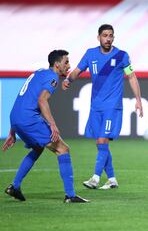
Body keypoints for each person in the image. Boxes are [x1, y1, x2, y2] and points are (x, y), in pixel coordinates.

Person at [62, 24, 143, 190]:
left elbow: (132, 77)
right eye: (105, 35)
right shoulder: (90, 54)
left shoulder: (121, 55)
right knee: (101, 144)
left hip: (112, 107)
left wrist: (138, 99)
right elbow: (77, 70)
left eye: (111, 35)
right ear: (98, 37)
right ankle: (112, 179)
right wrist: (68, 80)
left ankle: (95, 178)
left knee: (102, 140)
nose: (108, 38)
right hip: (96, 107)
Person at [2, 50, 88, 203]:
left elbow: (23, 99)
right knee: (63, 149)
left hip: (16, 117)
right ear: (57, 65)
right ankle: (70, 195)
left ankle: (15, 187)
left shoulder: (39, 72)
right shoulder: (53, 78)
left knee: (38, 147)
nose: (69, 66)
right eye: (66, 62)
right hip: (29, 118)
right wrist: (52, 124)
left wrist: (12, 130)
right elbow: (42, 101)